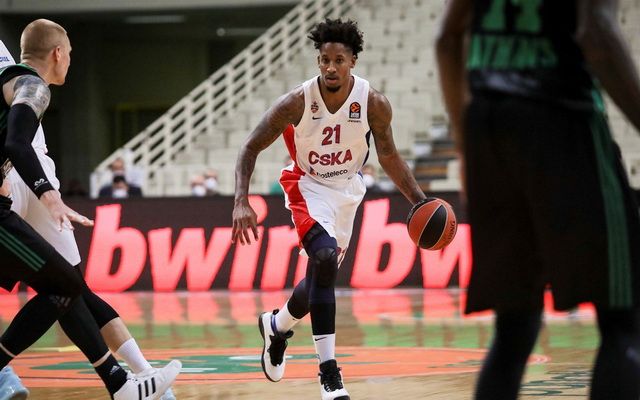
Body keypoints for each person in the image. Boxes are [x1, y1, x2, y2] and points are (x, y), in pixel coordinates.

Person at [436, 1, 640, 399]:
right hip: (562, 119)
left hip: (488, 130)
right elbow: (596, 35)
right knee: (623, 317)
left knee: (514, 326)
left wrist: (465, 146)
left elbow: (447, 38)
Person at [232, 18, 426, 400]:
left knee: (320, 277)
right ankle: (329, 373)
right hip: (308, 186)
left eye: (339, 60)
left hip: (347, 190)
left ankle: (277, 325)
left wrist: (420, 200)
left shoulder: (373, 103)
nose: (331, 68)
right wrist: (241, 199)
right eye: (324, 60)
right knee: (322, 258)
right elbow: (249, 147)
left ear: (353, 61)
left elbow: (388, 155)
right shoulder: (296, 102)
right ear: (318, 61)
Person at [0, 19, 181, 399]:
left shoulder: (18, 74)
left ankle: (131, 381)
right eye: (69, 53)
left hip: (19, 169)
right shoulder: (32, 85)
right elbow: (17, 141)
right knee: (66, 285)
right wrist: (49, 194)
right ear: (58, 54)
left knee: (68, 286)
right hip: (29, 170)